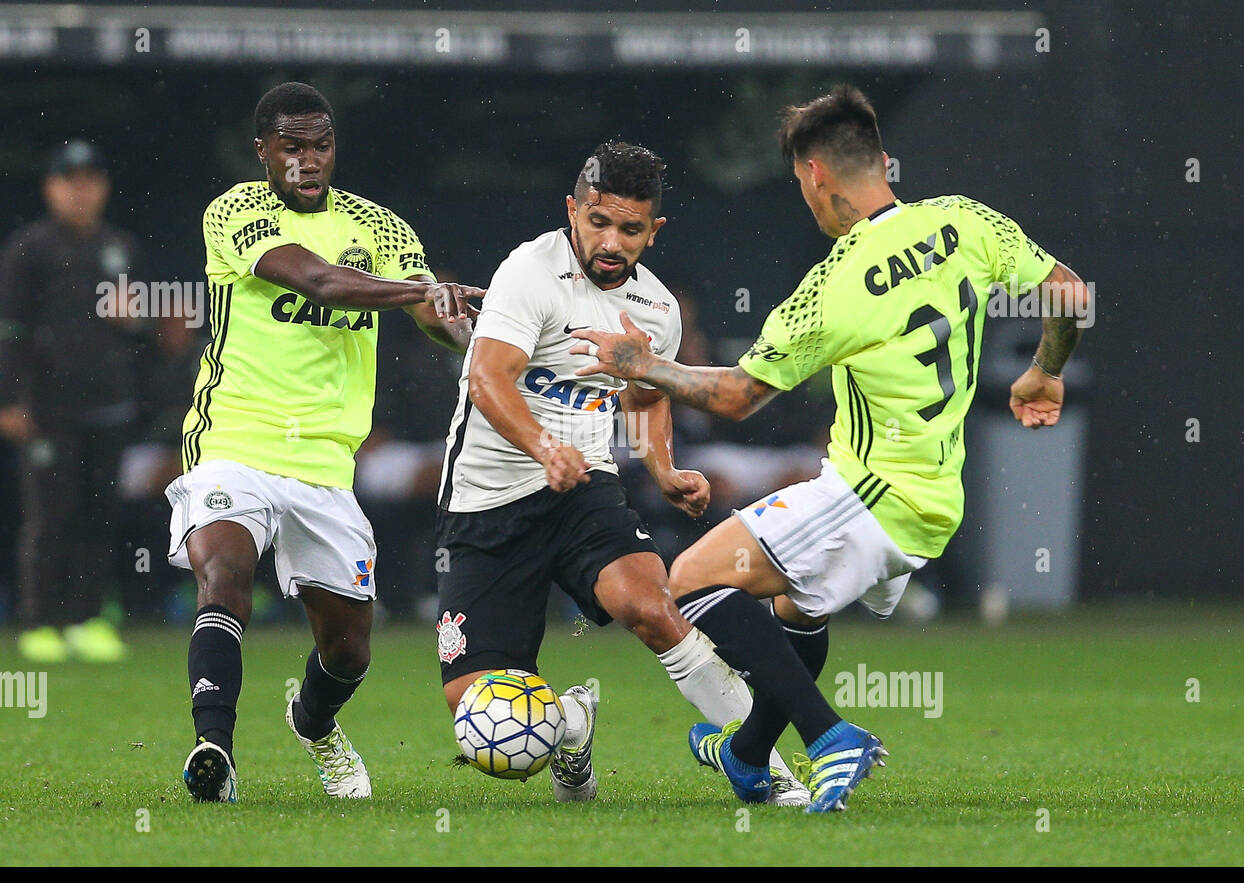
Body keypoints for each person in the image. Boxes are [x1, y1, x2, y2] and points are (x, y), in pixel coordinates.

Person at [572, 85, 1088, 812]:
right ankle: (748, 752)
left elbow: (734, 396)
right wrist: (1045, 370)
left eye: (798, 184)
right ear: (880, 159)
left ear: (815, 175)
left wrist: (639, 362)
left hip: (874, 493)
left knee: (686, 580)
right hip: (933, 495)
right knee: (795, 612)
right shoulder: (963, 220)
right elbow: (1068, 294)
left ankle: (827, 735)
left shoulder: (836, 284)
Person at [436, 142, 811, 806]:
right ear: (572, 212)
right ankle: (572, 726)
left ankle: (765, 768)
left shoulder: (658, 309)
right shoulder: (530, 271)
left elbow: (645, 395)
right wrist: (543, 447)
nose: (612, 241)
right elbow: (488, 379)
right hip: (486, 504)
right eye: (599, 222)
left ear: (653, 230)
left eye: (631, 229)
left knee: (654, 606)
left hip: (585, 490)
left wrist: (662, 467)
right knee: (479, 716)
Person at [166, 82, 484, 802]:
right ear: (263, 152)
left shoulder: (380, 224)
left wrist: (457, 321)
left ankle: (314, 723)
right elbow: (315, 281)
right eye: (291, 146)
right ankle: (213, 747)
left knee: (347, 649)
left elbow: (437, 322)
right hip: (234, 438)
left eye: (321, 145)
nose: (308, 160)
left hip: (325, 461)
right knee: (223, 577)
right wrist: (414, 290)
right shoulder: (237, 210)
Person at [0, 140, 147, 664]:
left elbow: (139, 325)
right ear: (50, 188)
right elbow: (8, 331)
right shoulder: (27, 248)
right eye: (69, 181)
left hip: (109, 403)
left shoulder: (120, 245)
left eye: (90, 180)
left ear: (102, 187)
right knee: (50, 513)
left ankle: (88, 617)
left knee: (100, 513)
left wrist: (134, 318)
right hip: (46, 407)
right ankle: (40, 620)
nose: (80, 191)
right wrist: (9, 400)